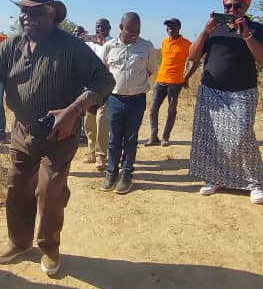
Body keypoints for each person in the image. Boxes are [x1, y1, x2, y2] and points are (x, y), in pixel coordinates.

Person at [0, 0, 114, 276]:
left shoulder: (71, 47)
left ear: (51, 14)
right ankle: (19, 242)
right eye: (23, 11)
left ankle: (49, 247)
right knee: (17, 188)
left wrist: (74, 110)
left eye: (35, 11)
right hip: (22, 132)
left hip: (59, 135)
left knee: (49, 190)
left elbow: (104, 81)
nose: (27, 16)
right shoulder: (11, 46)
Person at [187, 0, 263, 205]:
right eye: (228, 5)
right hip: (211, 92)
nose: (232, 9)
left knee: (242, 137)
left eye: (238, 5)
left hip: (242, 92)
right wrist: (205, 31)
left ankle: (255, 183)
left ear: (246, 7)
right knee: (211, 138)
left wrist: (246, 36)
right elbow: (193, 55)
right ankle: (214, 178)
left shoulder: (256, 28)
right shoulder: (213, 28)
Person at [100, 12, 157, 194]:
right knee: (114, 138)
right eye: (130, 31)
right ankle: (111, 173)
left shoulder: (146, 46)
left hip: (137, 100)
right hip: (115, 99)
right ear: (121, 28)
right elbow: (103, 72)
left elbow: (150, 70)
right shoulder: (109, 47)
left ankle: (126, 174)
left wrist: (133, 85)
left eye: (137, 31)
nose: (135, 34)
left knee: (131, 139)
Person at [145, 17, 200, 147]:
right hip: (160, 80)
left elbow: (196, 60)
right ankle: (153, 137)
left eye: (172, 26)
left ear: (178, 28)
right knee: (153, 109)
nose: (169, 29)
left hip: (175, 82)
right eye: (167, 27)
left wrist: (186, 78)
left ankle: (165, 137)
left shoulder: (187, 44)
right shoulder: (164, 42)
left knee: (171, 110)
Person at [82, 18, 112, 170]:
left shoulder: (113, 44)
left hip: (106, 88)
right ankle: (91, 151)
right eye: (97, 26)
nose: (99, 29)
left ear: (109, 28)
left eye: (102, 26)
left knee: (102, 119)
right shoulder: (89, 44)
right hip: (91, 87)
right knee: (89, 120)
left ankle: (101, 156)